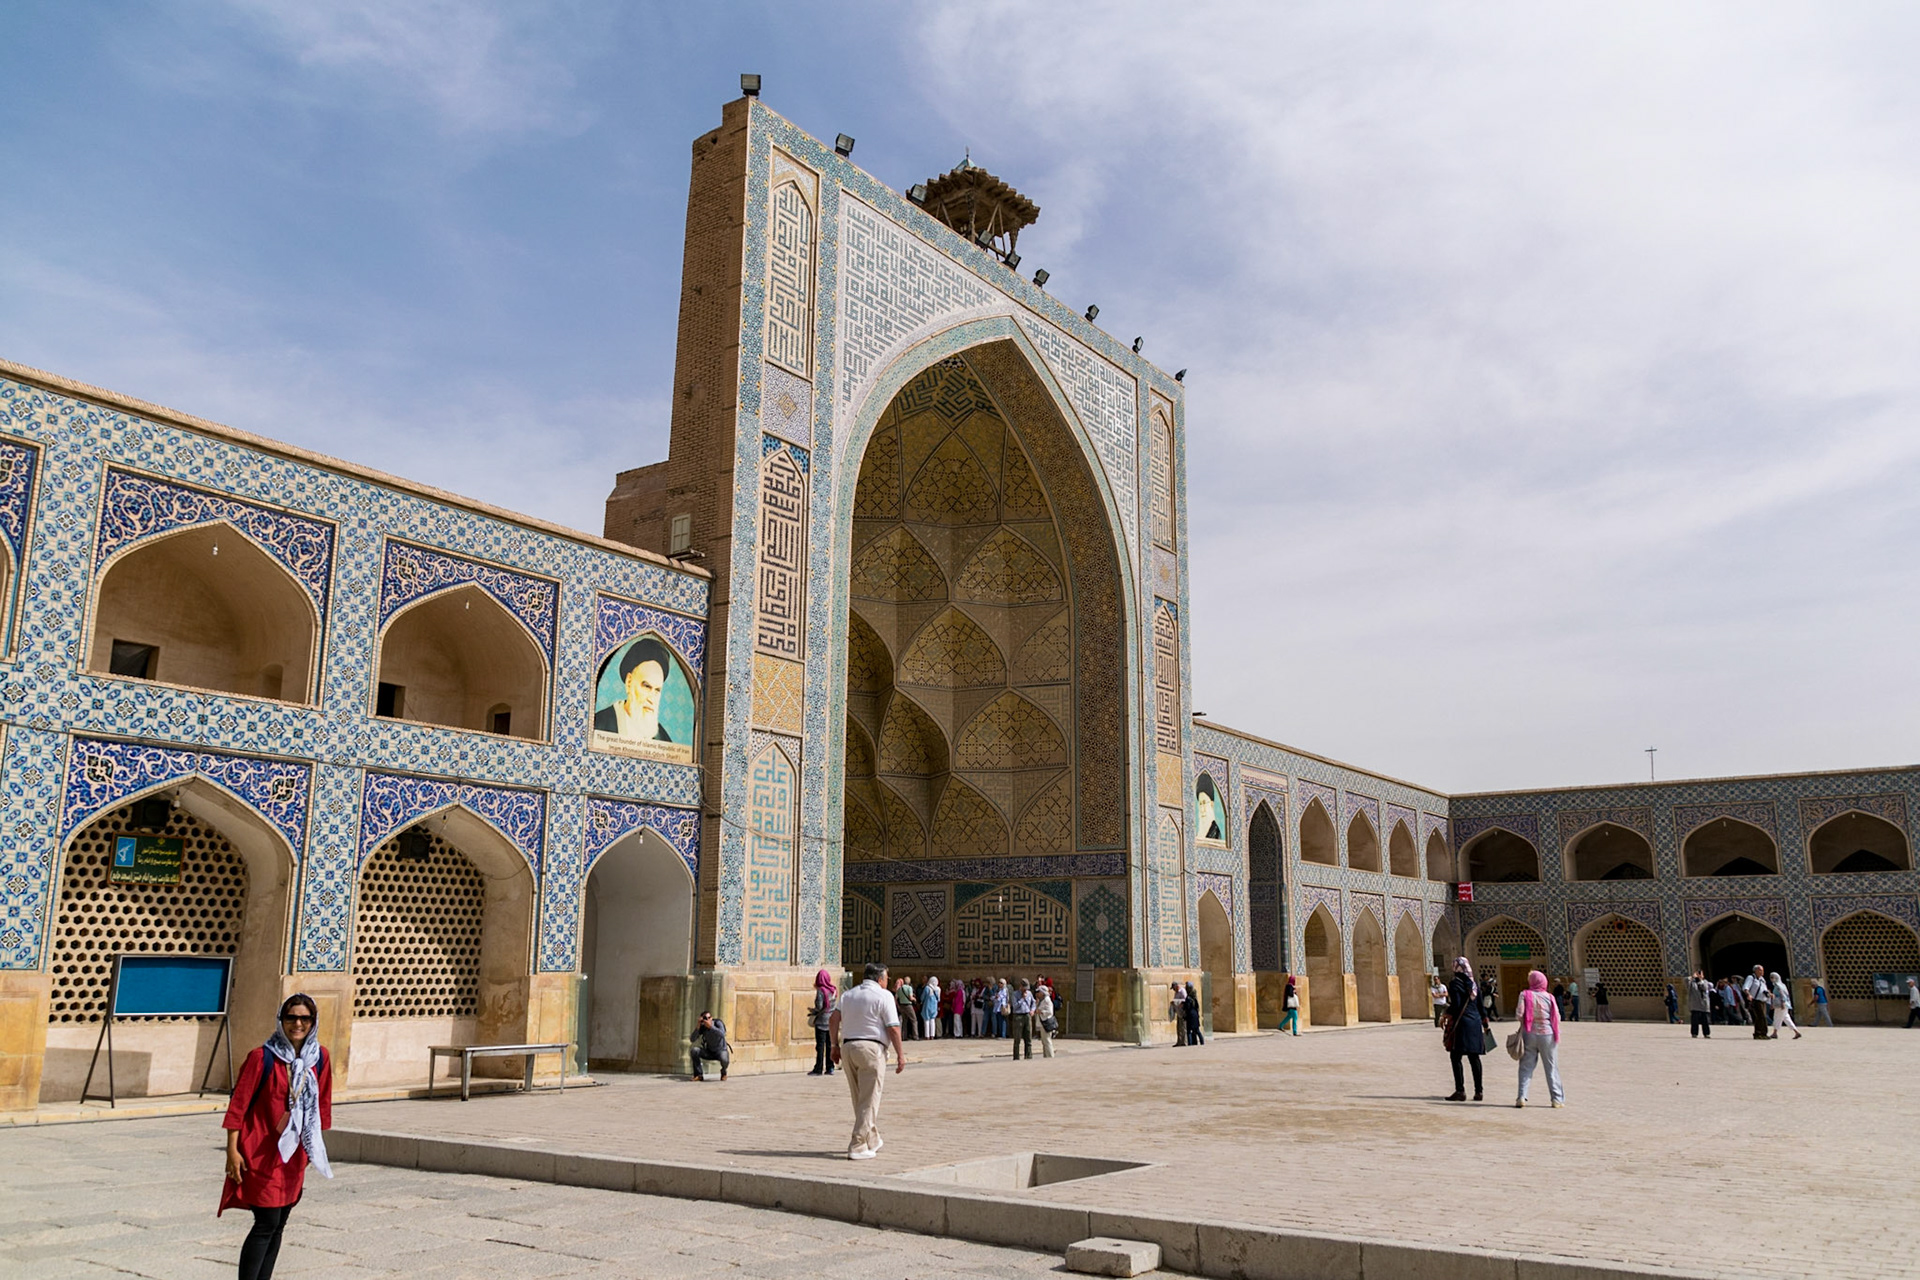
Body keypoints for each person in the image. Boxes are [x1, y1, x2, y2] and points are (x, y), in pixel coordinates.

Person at [222, 994, 333, 1280]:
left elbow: (322, 1105)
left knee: (280, 1222)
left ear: (313, 1022)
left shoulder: (319, 1058)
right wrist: (232, 1151)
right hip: (259, 1151)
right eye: (291, 1017)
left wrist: (312, 1149)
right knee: (266, 1221)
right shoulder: (262, 1058)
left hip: (294, 1154)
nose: (298, 1024)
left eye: (304, 1018)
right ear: (280, 1020)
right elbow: (238, 1106)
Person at [829, 962, 905, 1160]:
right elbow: (893, 1028)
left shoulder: (848, 995)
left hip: (848, 1049)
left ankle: (872, 1138)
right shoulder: (884, 995)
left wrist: (834, 1046)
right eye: (887, 978)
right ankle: (857, 1145)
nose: (887, 982)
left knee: (860, 1099)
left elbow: (833, 1019)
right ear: (880, 979)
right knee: (869, 1100)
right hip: (871, 1050)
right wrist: (900, 1054)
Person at [593, 638, 676, 741]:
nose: (651, 699)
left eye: (657, 690)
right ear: (629, 682)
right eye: (647, 686)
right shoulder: (598, 725)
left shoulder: (664, 739)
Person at [1513, 969, 1565, 1108]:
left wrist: (1529, 1020)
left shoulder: (1524, 994)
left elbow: (1519, 1014)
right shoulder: (1549, 997)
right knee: (1551, 1067)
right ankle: (1556, 1099)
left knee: (1525, 1067)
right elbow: (1557, 1017)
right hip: (1547, 1035)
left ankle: (1521, 1097)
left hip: (1529, 1033)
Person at [1444, 957, 1488, 1102]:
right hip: (1475, 1024)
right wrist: (1485, 1023)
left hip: (1462, 1024)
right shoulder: (1474, 984)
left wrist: (1446, 1013)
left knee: (1455, 1057)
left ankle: (1460, 1091)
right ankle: (1479, 1091)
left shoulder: (1455, 983)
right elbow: (1481, 1006)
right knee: (1474, 1058)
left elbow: (1456, 1005)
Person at [808, 968, 837, 1076]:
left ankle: (818, 1068)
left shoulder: (821, 991)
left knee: (820, 1047)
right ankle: (830, 1067)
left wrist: (814, 1011)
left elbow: (820, 1006)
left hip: (821, 1022)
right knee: (829, 1045)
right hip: (831, 1022)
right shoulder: (833, 990)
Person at [689, 1010, 730, 1080]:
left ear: (711, 1018)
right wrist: (698, 1027)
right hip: (709, 1051)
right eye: (705, 1018)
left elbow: (722, 1034)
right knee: (694, 1051)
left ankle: (723, 1072)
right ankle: (698, 1075)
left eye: (709, 1018)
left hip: (721, 1051)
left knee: (724, 1059)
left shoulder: (718, 1023)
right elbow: (692, 1039)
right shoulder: (703, 1027)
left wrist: (711, 1027)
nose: (707, 1020)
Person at [1769, 972, 1802, 1040]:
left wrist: (1782, 1003)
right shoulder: (1782, 985)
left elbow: (1782, 995)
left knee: (1777, 1018)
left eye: (1772, 977)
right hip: (1784, 1004)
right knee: (1786, 1019)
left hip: (1781, 1005)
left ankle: (1775, 1033)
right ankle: (1796, 1032)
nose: (1771, 979)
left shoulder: (1778, 986)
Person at [1742, 965, 1772, 1040]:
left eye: (1762, 970)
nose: (1762, 972)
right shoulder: (1751, 978)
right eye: (1760, 970)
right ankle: (1760, 1033)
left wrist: (1769, 994)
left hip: (1763, 1000)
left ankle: (1761, 1033)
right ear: (1755, 970)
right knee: (1761, 1017)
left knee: (1762, 1017)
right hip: (1756, 1000)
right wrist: (1748, 995)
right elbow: (1745, 987)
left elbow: (1764, 989)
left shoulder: (1762, 979)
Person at [1009, 979, 1036, 1060]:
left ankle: (1028, 1055)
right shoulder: (1015, 994)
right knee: (1017, 1038)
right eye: (1024, 988)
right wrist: (1022, 999)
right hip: (1018, 1016)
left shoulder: (1029, 993)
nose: (1025, 990)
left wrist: (1032, 1010)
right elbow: (1015, 1006)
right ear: (1020, 986)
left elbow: (1033, 1002)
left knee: (1028, 1036)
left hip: (1027, 1015)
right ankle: (1016, 1056)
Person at [1687, 971, 1713, 1039]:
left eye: (1700, 974)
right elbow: (1686, 982)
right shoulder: (1692, 983)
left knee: (1705, 1021)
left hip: (1704, 1005)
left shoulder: (1705, 982)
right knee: (1695, 1020)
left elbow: (1704, 988)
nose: (1698, 975)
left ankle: (1706, 1033)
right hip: (1695, 1005)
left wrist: (1700, 980)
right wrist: (1692, 977)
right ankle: (1694, 1033)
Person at [1034, 981, 1057, 1058]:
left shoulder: (1047, 1000)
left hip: (1046, 1022)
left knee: (1047, 1040)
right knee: (1044, 1041)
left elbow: (1050, 1012)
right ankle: (1046, 1056)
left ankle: (1050, 1056)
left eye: (1039, 992)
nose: (1037, 993)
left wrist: (1041, 1012)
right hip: (1042, 1022)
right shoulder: (1041, 1000)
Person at [1184, 981, 1205, 1046]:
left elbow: (1187, 1007)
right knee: (1197, 1030)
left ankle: (1190, 1043)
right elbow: (1197, 1007)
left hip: (1190, 1015)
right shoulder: (1194, 998)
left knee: (1189, 1030)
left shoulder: (1188, 998)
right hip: (1195, 1015)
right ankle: (1202, 1042)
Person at [920, 976, 941, 1040]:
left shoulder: (927, 988)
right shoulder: (938, 989)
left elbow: (922, 997)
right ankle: (932, 1035)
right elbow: (938, 999)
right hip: (934, 1006)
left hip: (927, 1005)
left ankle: (927, 1035)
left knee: (926, 1020)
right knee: (932, 1020)